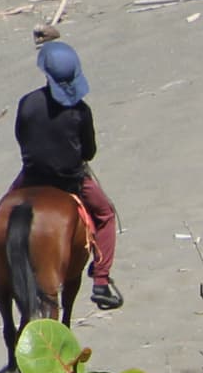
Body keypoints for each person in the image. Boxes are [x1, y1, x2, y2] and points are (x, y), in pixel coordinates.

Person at [12, 35, 122, 311]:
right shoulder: (81, 111)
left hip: (32, 175)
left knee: (6, 210)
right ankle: (101, 281)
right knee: (106, 215)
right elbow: (89, 152)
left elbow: (21, 137)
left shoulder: (27, 103)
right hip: (71, 180)